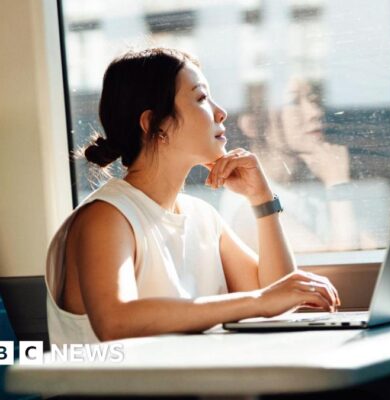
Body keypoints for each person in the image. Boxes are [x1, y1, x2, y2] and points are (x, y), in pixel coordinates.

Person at [45, 48, 340, 346]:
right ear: (155, 124)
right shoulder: (106, 216)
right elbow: (116, 322)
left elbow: (278, 299)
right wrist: (257, 300)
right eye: (201, 98)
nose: (220, 111)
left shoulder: (202, 217)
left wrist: (262, 200)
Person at [221, 79, 390, 252]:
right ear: (253, 125)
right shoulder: (249, 206)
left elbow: (367, 248)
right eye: (294, 102)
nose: (315, 112)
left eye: (313, 101)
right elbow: (340, 268)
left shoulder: (303, 190)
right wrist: (337, 183)